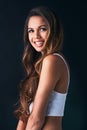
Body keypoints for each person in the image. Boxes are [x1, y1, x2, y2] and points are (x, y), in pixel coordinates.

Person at [15, 6, 70, 130]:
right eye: (31, 30)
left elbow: (36, 119)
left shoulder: (53, 61)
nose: (36, 36)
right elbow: (25, 116)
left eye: (43, 29)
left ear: (53, 31)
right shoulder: (39, 65)